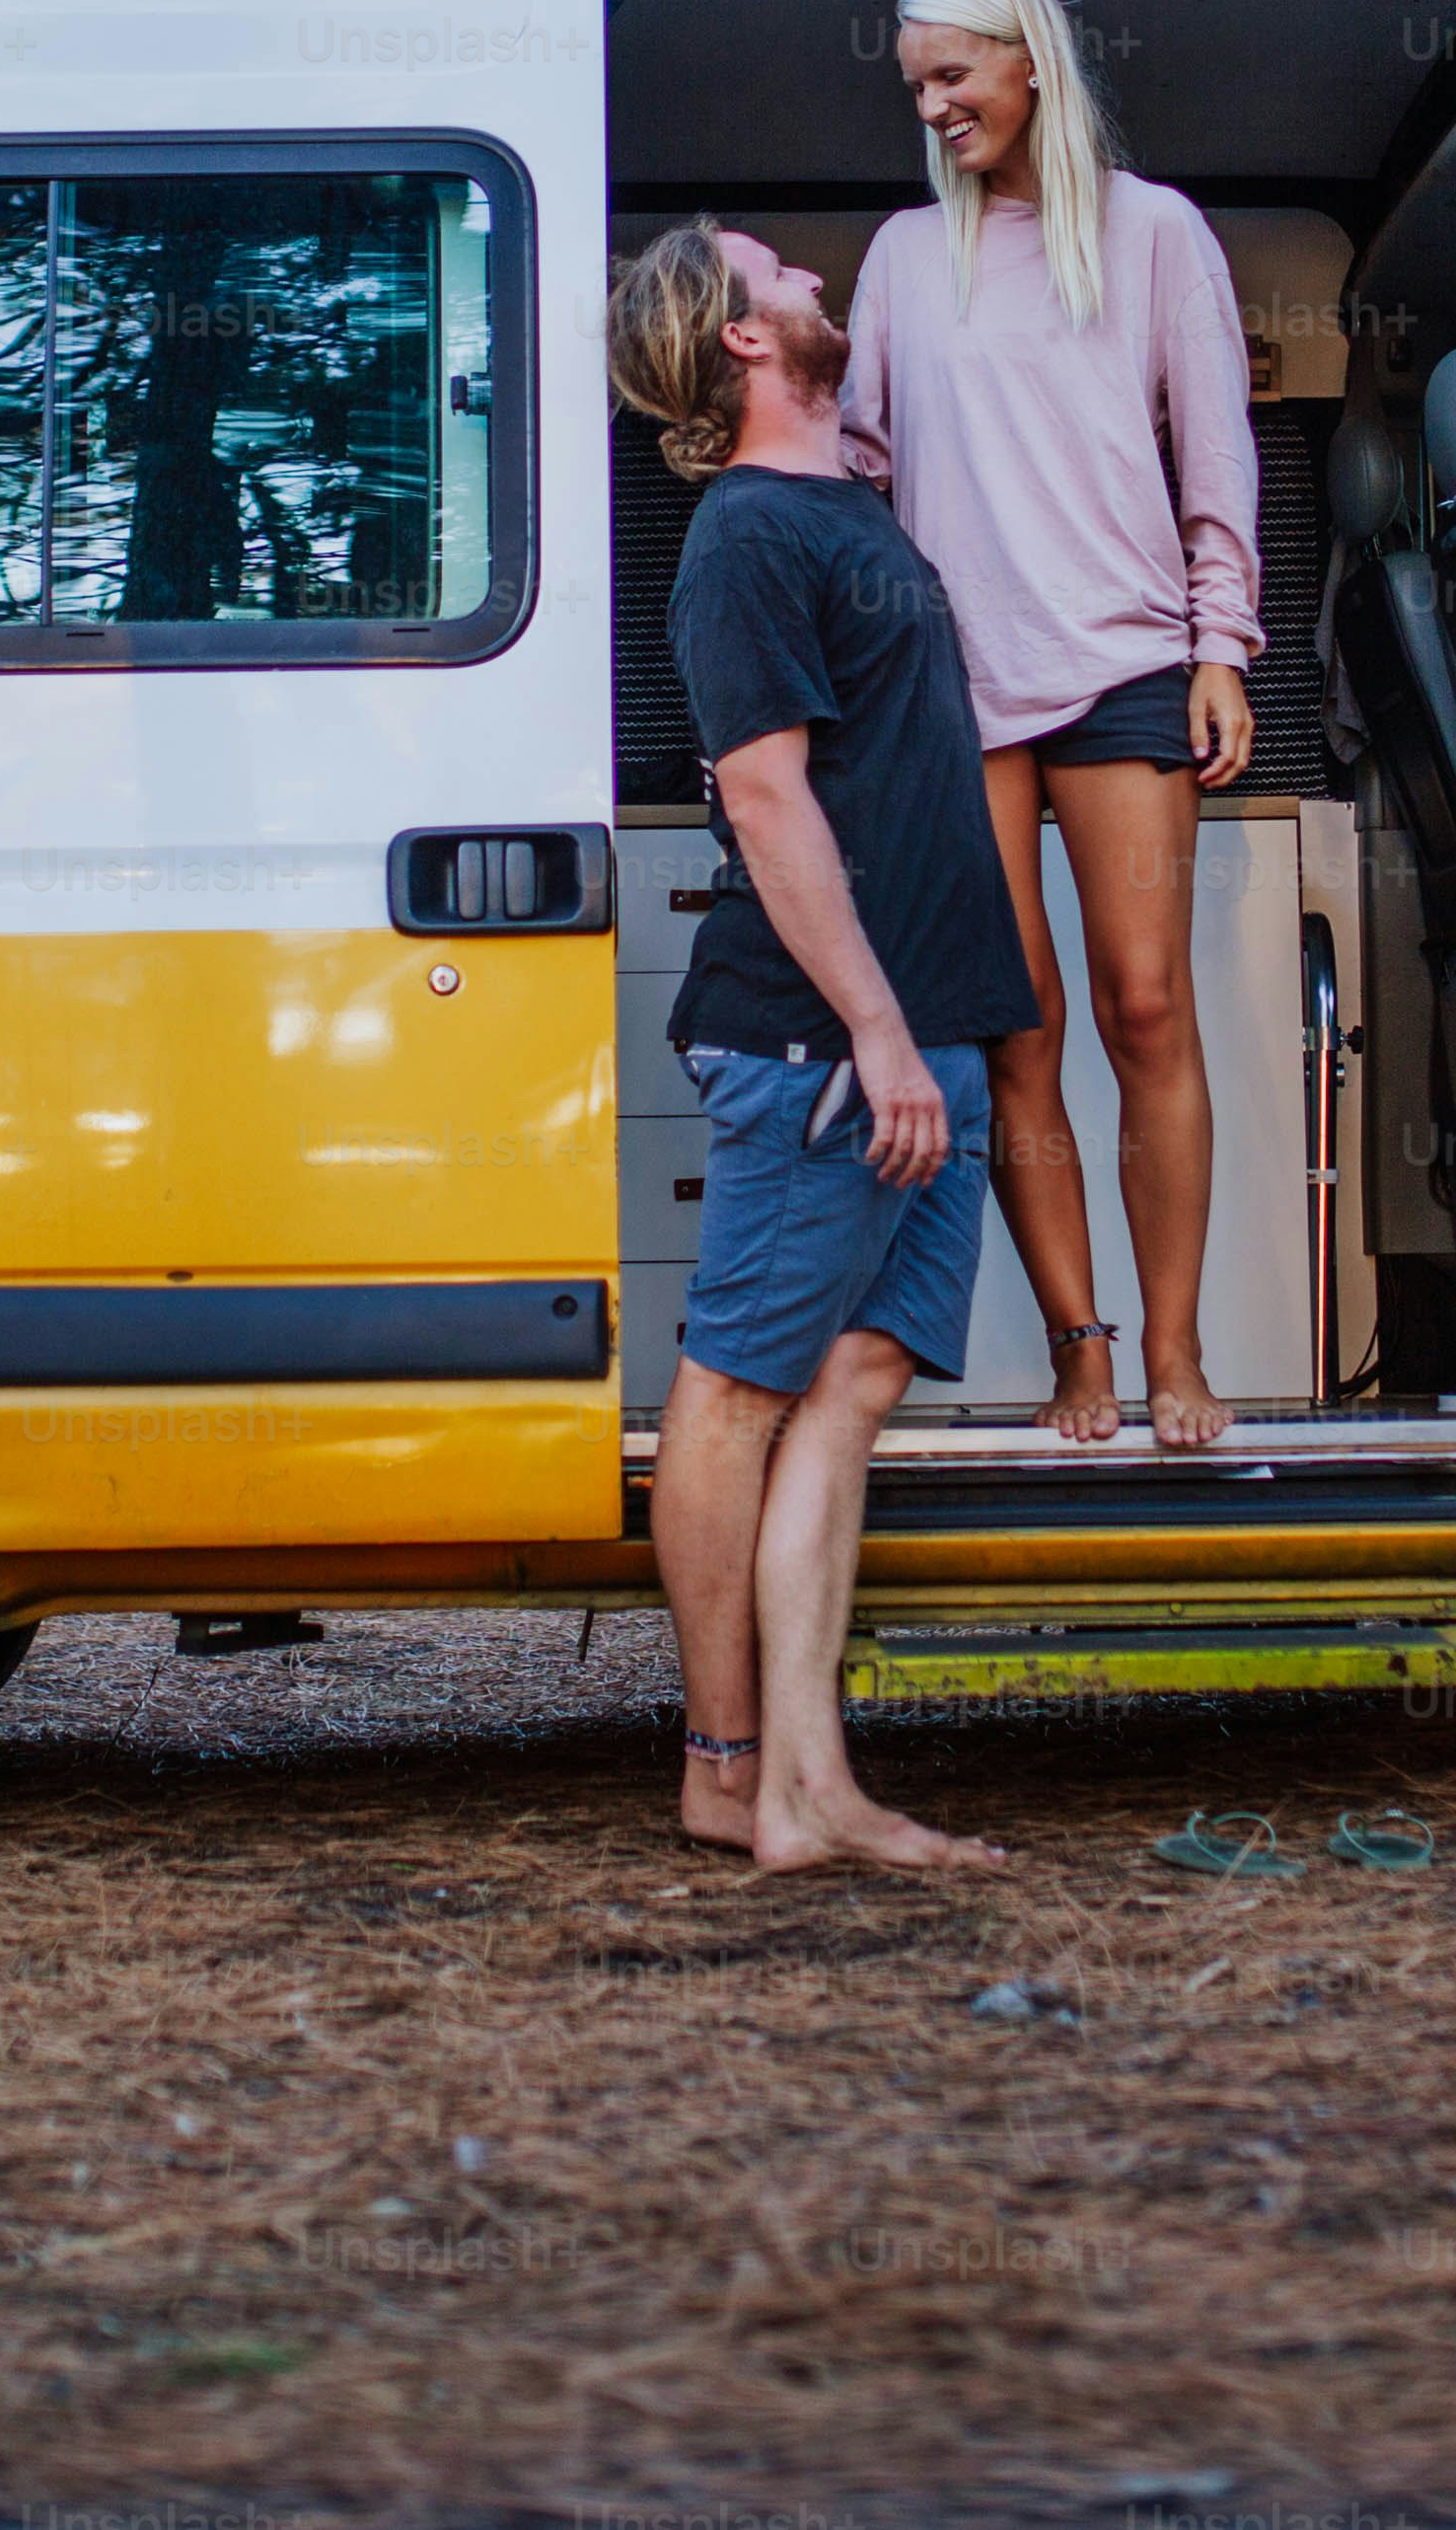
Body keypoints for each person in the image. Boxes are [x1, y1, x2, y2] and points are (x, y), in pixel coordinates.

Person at [607, 218, 1026, 1877]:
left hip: (921, 1036)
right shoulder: (743, 536)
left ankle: (813, 1780)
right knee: (734, 1394)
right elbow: (767, 797)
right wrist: (877, 1028)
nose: (813, 278)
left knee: (849, 1388)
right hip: (824, 1047)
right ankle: (726, 1769)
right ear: (739, 336)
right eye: (778, 270)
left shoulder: (843, 501)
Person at [840, 0, 1264, 1451]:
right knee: (1015, 1034)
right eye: (917, 87)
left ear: (1032, 63)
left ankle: (1176, 1349)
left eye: (953, 75)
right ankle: (1083, 1351)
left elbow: (1216, 451)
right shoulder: (907, 253)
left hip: (1128, 660)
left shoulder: (1154, 233)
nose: (933, 107)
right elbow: (861, 465)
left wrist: (1222, 644)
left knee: (1147, 1005)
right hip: (959, 687)